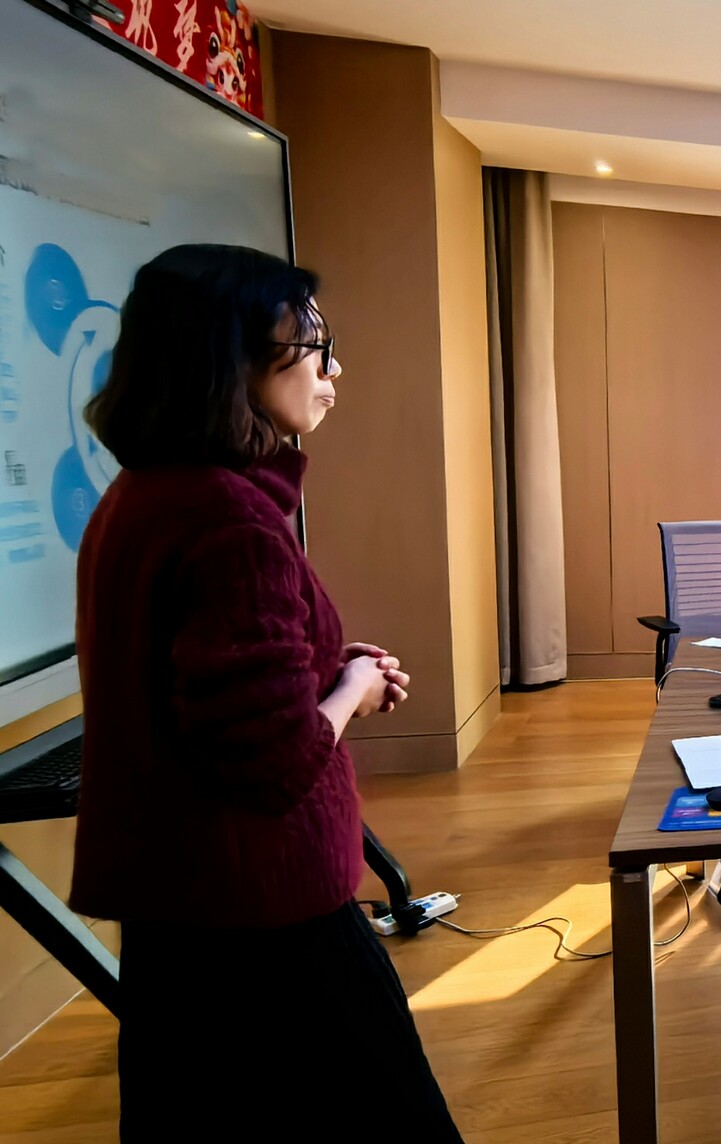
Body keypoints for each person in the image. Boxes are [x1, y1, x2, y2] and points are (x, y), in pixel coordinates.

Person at [68, 245, 461, 1138]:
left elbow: (190, 687)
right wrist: (351, 688)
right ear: (232, 361)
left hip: (179, 910)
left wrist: (321, 668)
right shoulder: (230, 520)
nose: (333, 371)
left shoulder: (144, 495)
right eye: (314, 347)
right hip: (263, 914)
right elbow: (272, 761)